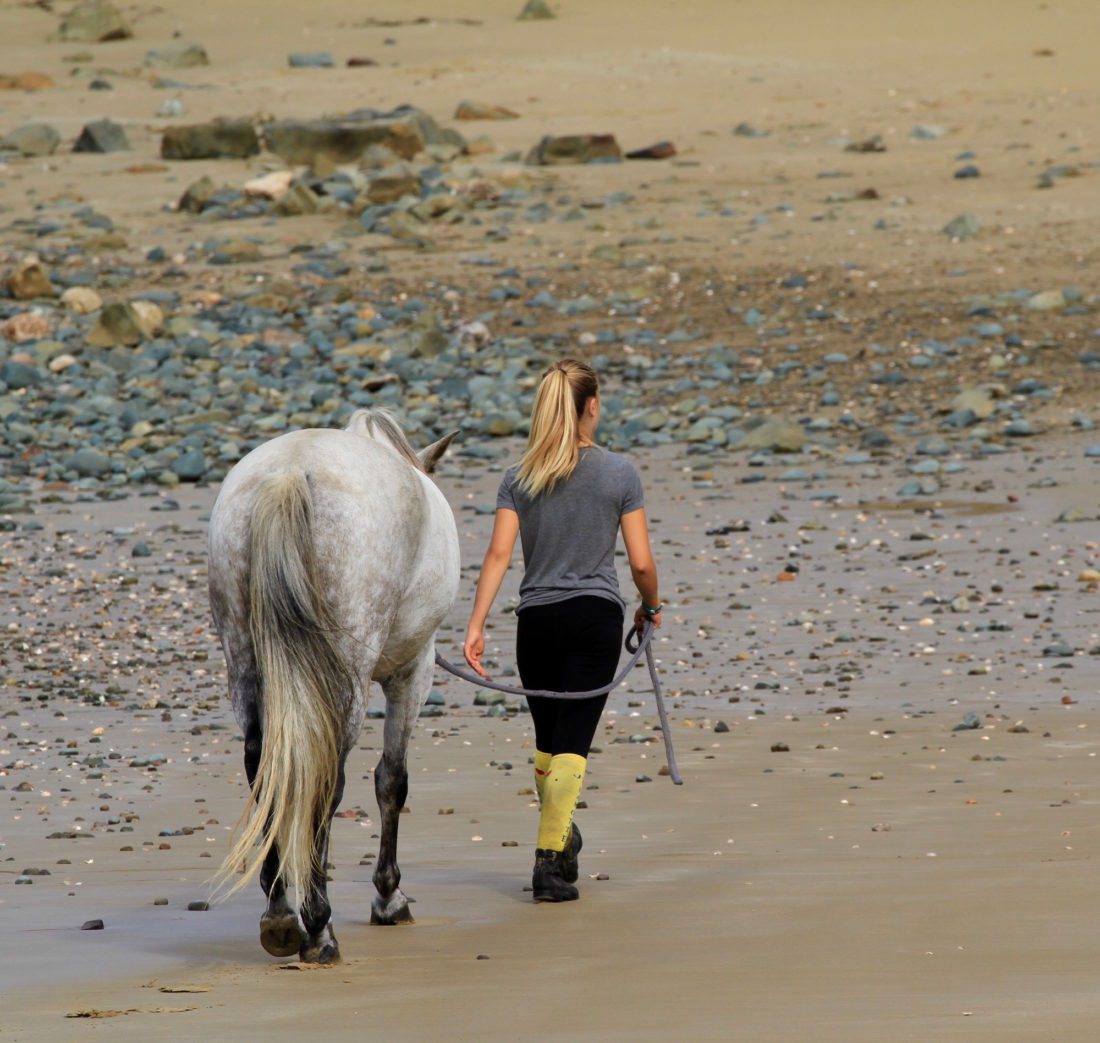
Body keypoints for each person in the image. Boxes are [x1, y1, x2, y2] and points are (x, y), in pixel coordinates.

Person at [463, 358, 662, 902]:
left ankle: (561, 833)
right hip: (595, 617)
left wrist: (476, 624)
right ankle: (548, 863)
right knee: (573, 743)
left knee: (549, 744)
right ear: (592, 405)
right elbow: (641, 563)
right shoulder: (619, 473)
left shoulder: (518, 477)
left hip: (537, 622)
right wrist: (652, 605)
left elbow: (499, 553)